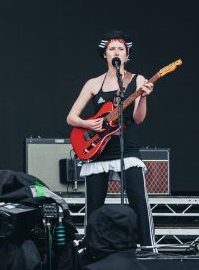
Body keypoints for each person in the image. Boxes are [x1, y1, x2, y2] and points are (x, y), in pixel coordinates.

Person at [66, 31, 155, 248]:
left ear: (127, 55)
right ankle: (93, 246)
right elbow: (71, 117)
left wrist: (142, 97)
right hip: (97, 148)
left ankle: (146, 246)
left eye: (121, 49)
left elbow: (138, 118)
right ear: (105, 54)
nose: (117, 52)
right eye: (112, 49)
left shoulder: (138, 80)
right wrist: (89, 124)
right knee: (94, 204)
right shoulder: (93, 83)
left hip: (127, 147)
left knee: (138, 200)